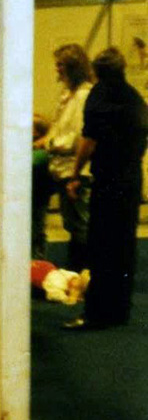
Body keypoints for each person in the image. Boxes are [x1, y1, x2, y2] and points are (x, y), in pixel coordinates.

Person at [64, 47, 148, 330]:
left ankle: (97, 313)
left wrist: (75, 174)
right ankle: (119, 310)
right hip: (131, 178)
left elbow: (89, 141)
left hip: (108, 179)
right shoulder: (135, 98)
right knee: (124, 246)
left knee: (101, 246)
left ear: (95, 71)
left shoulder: (98, 97)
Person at [31, 44, 94, 264]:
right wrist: (45, 138)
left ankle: (83, 271)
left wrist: (48, 144)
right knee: (72, 224)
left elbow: (77, 137)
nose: (57, 69)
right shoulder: (67, 93)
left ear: (73, 67)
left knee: (80, 226)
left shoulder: (84, 96)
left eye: (61, 65)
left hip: (75, 170)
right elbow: (59, 128)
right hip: (60, 169)